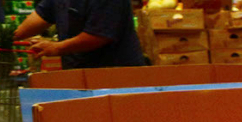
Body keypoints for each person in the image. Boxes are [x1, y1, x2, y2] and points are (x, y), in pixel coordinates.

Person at [13, 0, 144, 69]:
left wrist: (56, 47)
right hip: (79, 71)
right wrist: (11, 37)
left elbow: (99, 35)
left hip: (116, 73)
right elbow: (42, 15)